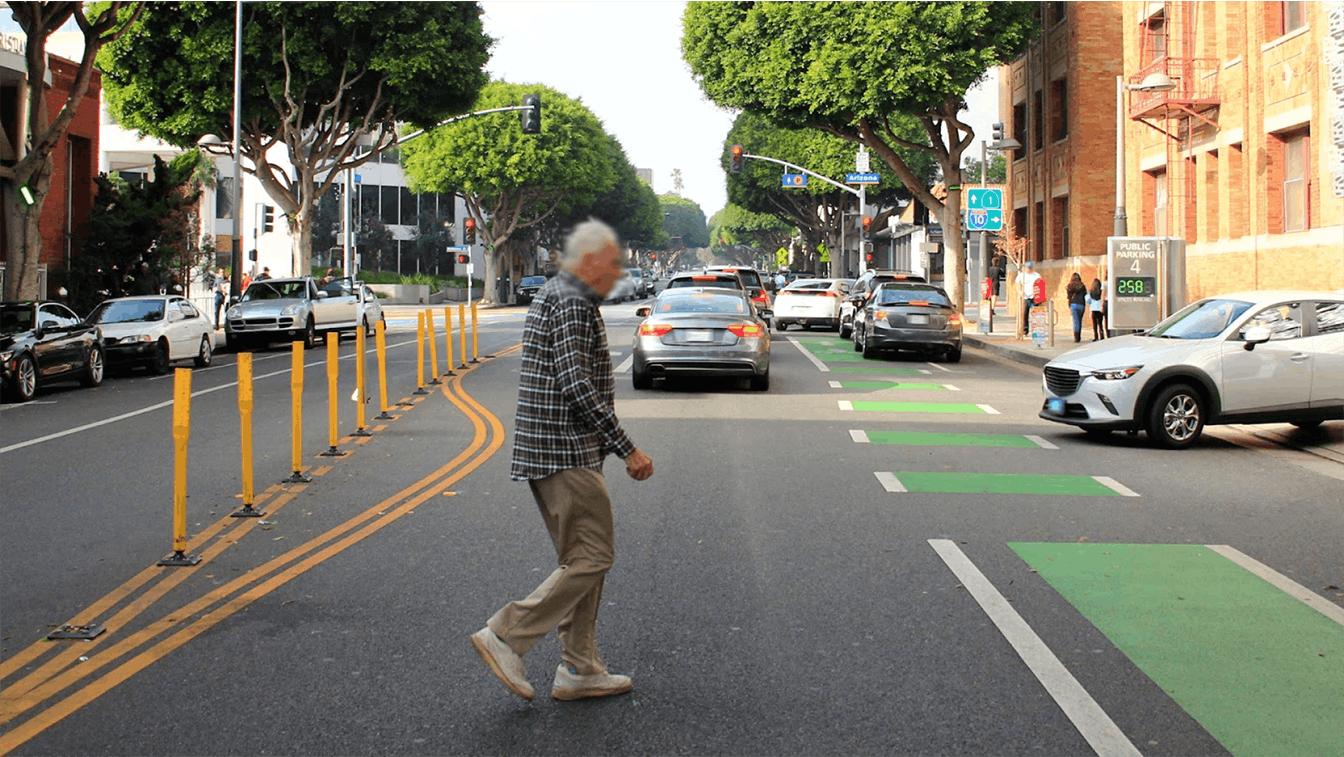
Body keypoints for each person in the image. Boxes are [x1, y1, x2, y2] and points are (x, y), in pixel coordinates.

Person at [471, 218, 654, 703]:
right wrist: (627, 448)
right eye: (611, 264)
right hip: (564, 449)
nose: (617, 274)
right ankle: (507, 634)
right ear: (588, 262)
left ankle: (580, 667)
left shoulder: (562, 293)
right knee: (594, 557)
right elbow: (576, 384)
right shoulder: (572, 299)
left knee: (581, 560)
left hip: (556, 448)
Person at [1015, 260, 1042, 338]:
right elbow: (1017, 283)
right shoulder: (1021, 275)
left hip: (1034, 297)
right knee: (1024, 314)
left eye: (1030, 268)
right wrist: (1020, 291)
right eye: (1027, 268)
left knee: (1036, 314)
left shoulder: (1036, 275)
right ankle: (1025, 330)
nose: (1029, 269)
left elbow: (1040, 284)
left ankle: (1036, 329)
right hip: (1025, 297)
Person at [1065, 272, 1087, 343]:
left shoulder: (1069, 286)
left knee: (1075, 321)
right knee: (1079, 321)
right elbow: (1085, 294)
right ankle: (1079, 335)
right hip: (1081, 304)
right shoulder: (1082, 286)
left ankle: (1076, 337)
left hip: (1073, 304)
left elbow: (1068, 296)